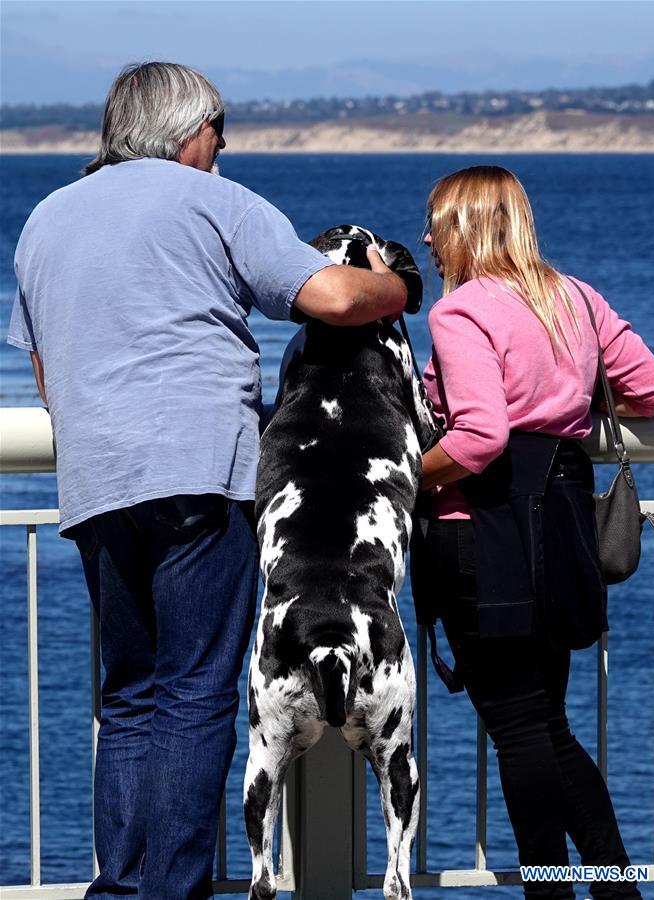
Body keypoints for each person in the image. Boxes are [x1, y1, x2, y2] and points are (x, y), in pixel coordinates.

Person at [6, 62, 407, 900]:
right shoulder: (215, 201)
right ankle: (172, 892)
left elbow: (49, 370)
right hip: (197, 470)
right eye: (220, 130)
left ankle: (117, 888)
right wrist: (398, 285)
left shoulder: (44, 219)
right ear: (192, 129)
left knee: (130, 698)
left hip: (97, 477)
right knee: (193, 694)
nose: (223, 147)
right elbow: (333, 297)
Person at [416, 165, 654, 900]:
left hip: (485, 532)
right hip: (560, 527)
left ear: (468, 228)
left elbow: (479, 437)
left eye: (437, 222)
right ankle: (608, 887)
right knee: (544, 726)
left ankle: (557, 891)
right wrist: (568, 397)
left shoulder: (461, 313)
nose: (428, 238)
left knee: (522, 731)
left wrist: (406, 480)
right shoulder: (577, 299)